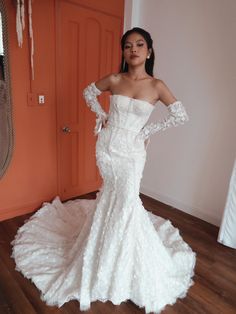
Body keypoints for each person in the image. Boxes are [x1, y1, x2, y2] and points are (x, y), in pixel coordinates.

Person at [11, 27, 196, 314]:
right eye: (127, 46)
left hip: (133, 153)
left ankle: (123, 260)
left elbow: (180, 114)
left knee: (127, 201)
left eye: (139, 44)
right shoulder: (114, 79)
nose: (132, 49)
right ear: (123, 52)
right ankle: (102, 251)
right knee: (112, 197)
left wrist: (149, 130)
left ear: (149, 51)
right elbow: (88, 92)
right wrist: (101, 114)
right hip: (108, 148)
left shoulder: (157, 85)